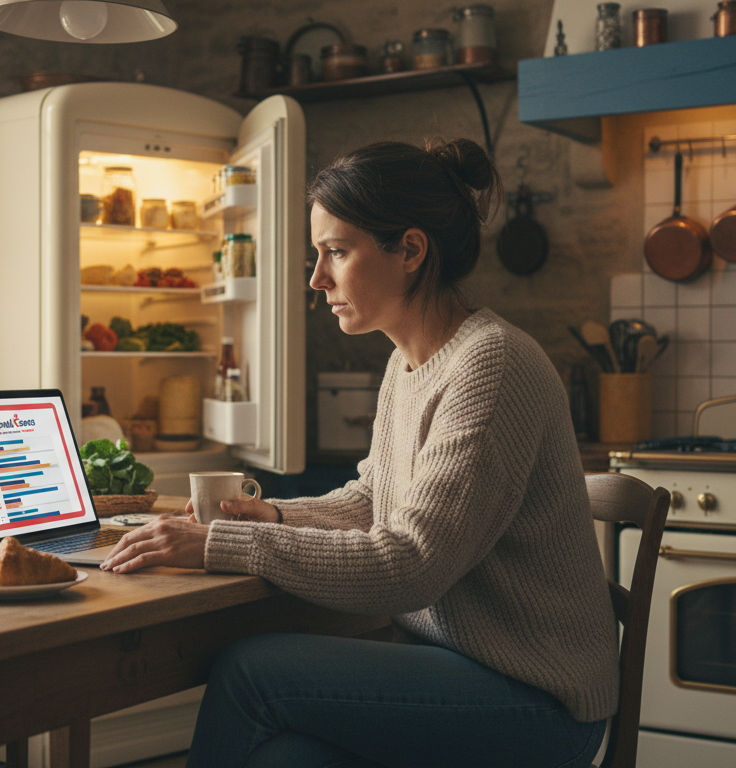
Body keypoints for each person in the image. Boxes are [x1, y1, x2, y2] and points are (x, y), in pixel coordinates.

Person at [100, 138, 618, 768]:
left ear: (410, 250)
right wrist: (276, 516)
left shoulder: (492, 364)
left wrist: (219, 543)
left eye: (336, 253)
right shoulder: (409, 363)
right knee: (283, 758)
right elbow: (373, 499)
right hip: (455, 670)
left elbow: (411, 564)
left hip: (538, 704)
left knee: (250, 672)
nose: (318, 279)